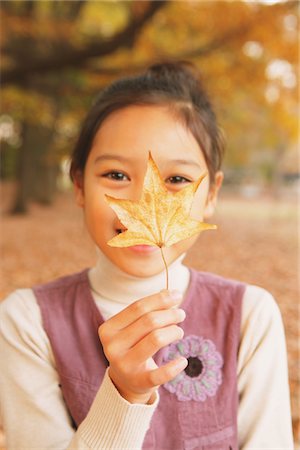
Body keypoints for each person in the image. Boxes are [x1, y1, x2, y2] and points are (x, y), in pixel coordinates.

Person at [0, 62, 293, 450]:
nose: (140, 202)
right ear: (79, 185)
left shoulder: (248, 317)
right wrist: (124, 396)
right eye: (117, 175)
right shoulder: (27, 322)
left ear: (211, 195)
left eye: (177, 180)